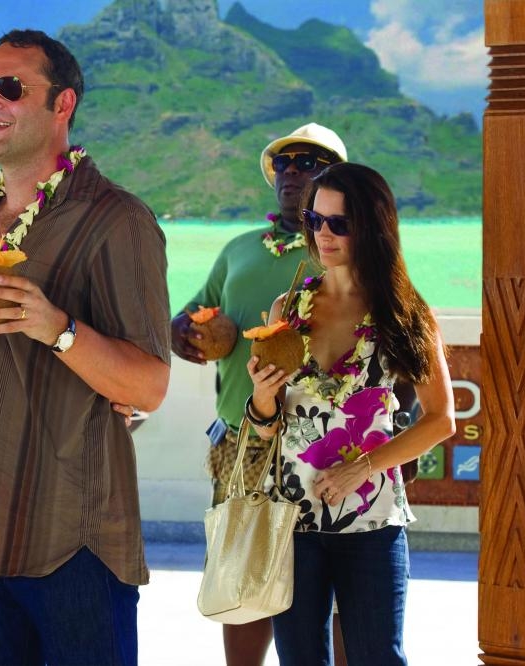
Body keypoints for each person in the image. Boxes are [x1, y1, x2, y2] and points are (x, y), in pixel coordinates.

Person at [0, 29, 171, 665]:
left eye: (10, 87)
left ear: (62, 103)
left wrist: (59, 329)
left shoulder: (117, 219)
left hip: (71, 540)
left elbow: (148, 385)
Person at [246, 162, 455, 665]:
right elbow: (268, 429)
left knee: (379, 657)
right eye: (315, 220)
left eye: (339, 223)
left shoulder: (404, 314)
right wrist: (262, 397)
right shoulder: (286, 310)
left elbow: (440, 419)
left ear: (372, 226)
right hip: (292, 520)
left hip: (372, 521)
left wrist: (361, 468)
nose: (324, 234)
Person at [170, 122, 346, 665]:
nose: (292, 171)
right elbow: (191, 315)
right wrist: (184, 331)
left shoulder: (343, 251)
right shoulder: (239, 249)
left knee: (337, 588)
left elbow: (394, 340)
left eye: (308, 162)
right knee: (242, 579)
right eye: (284, 163)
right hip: (241, 443)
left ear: (336, 179)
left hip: (321, 445)